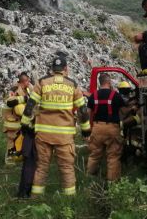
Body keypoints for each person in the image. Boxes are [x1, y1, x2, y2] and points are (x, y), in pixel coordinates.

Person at [20, 57, 90, 196]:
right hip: (64, 137)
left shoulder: (42, 82)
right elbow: (82, 109)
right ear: (65, 69)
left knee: (41, 168)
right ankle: (69, 200)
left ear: (52, 69)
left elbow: (30, 106)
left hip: (43, 135)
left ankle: (36, 197)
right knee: (66, 168)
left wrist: (24, 124)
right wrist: (86, 130)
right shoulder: (72, 85)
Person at [86, 74, 126, 181]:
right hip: (112, 128)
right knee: (113, 156)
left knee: (94, 154)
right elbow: (124, 111)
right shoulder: (116, 95)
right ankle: (112, 183)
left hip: (97, 128)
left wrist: (86, 129)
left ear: (100, 82)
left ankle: (89, 178)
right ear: (109, 82)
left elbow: (87, 113)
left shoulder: (93, 96)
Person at [2, 72, 33, 165]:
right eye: (28, 80)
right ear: (24, 81)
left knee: (20, 139)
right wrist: (24, 98)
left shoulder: (27, 88)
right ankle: (9, 159)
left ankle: (19, 157)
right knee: (11, 140)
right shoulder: (14, 89)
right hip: (11, 120)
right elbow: (10, 102)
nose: (30, 82)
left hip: (20, 120)